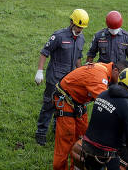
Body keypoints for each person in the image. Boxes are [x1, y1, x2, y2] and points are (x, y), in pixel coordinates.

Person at [52, 62, 128, 170]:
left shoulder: (106, 71)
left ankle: (76, 167)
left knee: (82, 136)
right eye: (122, 78)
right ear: (116, 71)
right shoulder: (99, 77)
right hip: (66, 101)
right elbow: (106, 102)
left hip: (79, 102)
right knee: (66, 139)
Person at [34, 9, 89, 146]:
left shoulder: (81, 38)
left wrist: (80, 72)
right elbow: (44, 52)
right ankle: (41, 132)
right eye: (78, 26)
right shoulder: (58, 36)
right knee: (49, 104)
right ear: (71, 22)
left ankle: (56, 127)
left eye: (82, 28)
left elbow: (78, 57)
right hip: (55, 77)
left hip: (70, 80)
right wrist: (39, 71)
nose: (80, 30)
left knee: (64, 105)